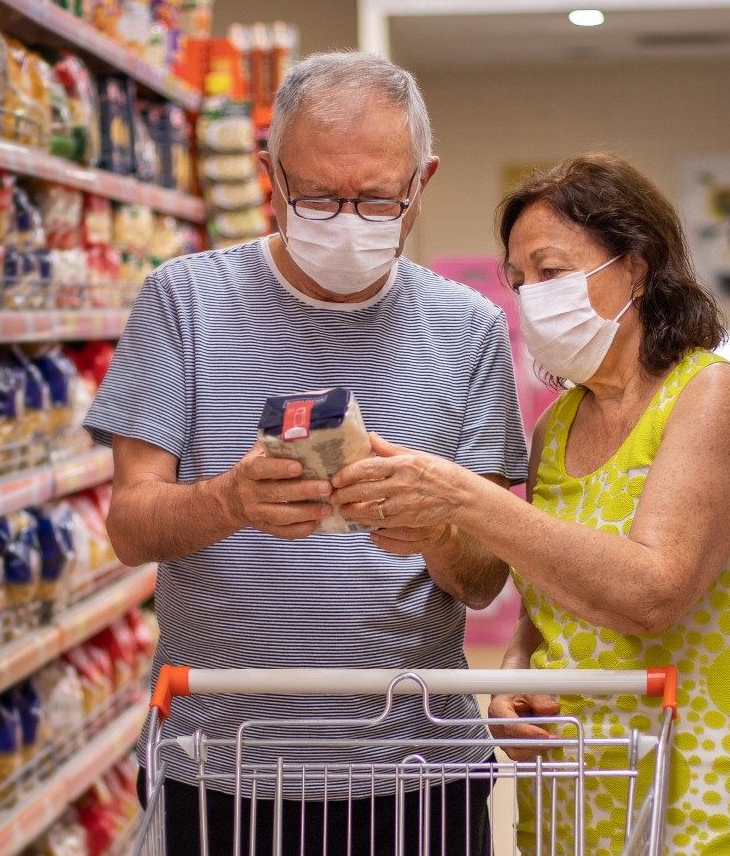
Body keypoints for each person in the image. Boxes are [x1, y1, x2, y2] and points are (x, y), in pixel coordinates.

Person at [85, 52, 527, 852]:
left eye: (378, 199)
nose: (348, 220)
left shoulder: (470, 329)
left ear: (422, 182)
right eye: (317, 196)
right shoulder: (181, 302)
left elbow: (484, 577)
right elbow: (130, 526)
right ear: (270, 175)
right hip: (220, 764)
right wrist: (229, 502)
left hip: (418, 767)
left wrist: (432, 524)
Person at [331, 153, 730, 854]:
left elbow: (651, 591)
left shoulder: (710, 397)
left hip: (691, 780)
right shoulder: (557, 427)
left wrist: (466, 498)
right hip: (570, 783)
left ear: (635, 265)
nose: (531, 295)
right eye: (519, 281)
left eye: (551, 272)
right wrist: (513, 682)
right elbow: (547, 606)